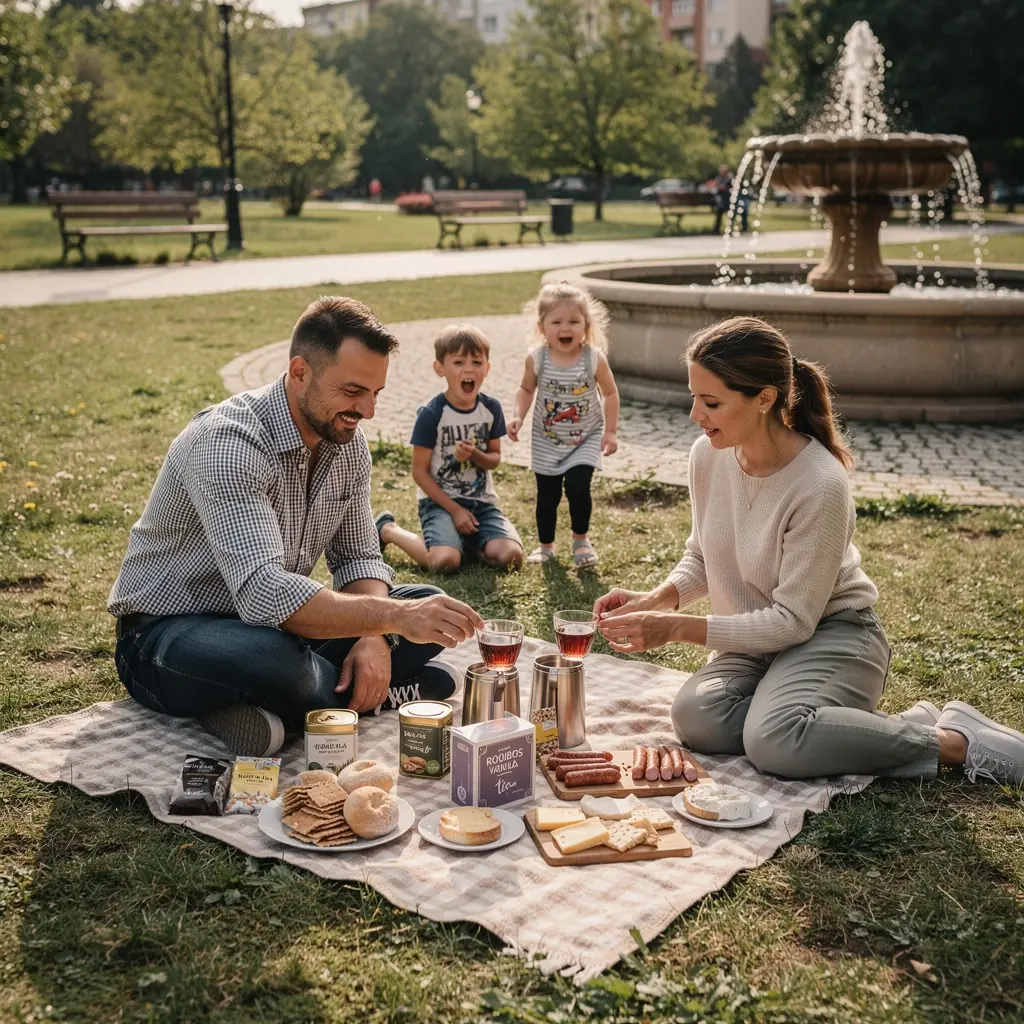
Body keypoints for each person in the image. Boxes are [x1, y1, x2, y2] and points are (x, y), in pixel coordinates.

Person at [595, 316, 1024, 786]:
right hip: (756, 638)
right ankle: (858, 728)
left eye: (711, 402)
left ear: (765, 398)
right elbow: (703, 556)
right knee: (698, 719)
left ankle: (952, 740)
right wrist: (656, 600)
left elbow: (794, 622)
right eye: (694, 396)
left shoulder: (819, 483)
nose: (695, 415)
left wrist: (675, 627)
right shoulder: (708, 454)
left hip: (833, 634)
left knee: (773, 739)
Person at [109, 297, 483, 757]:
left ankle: (277, 709)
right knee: (278, 659)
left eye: (376, 393)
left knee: (427, 604)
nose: (368, 411)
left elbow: (359, 557)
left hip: (276, 627)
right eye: (352, 392)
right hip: (165, 635)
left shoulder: (345, 442)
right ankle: (365, 696)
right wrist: (394, 621)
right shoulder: (228, 442)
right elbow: (264, 592)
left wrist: (375, 635)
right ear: (300, 371)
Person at [375, 324, 524, 573]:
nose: (468, 368)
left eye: (477, 362)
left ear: (487, 368)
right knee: (445, 562)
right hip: (440, 503)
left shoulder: (491, 408)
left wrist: (476, 455)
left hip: (481, 503)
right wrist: (455, 510)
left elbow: (495, 459)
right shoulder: (432, 413)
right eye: (458, 362)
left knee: (511, 558)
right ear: (440, 368)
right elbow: (419, 472)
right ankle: (388, 530)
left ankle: (469, 541)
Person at [507, 281, 620, 568]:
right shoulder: (537, 359)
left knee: (579, 488)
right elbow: (525, 390)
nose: (565, 328)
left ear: (586, 325)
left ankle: (581, 540)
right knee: (547, 497)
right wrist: (518, 416)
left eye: (573, 321)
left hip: (586, 438)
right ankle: (546, 545)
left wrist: (610, 431)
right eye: (556, 321)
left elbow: (610, 393)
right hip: (548, 440)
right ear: (542, 326)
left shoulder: (593, 359)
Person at [711, 163, 747, 235]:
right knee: (723, 211)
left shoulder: (730, 179)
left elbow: (734, 188)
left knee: (736, 210)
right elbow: (715, 187)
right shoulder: (719, 178)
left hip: (728, 202)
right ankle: (718, 230)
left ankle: (730, 228)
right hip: (723, 203)